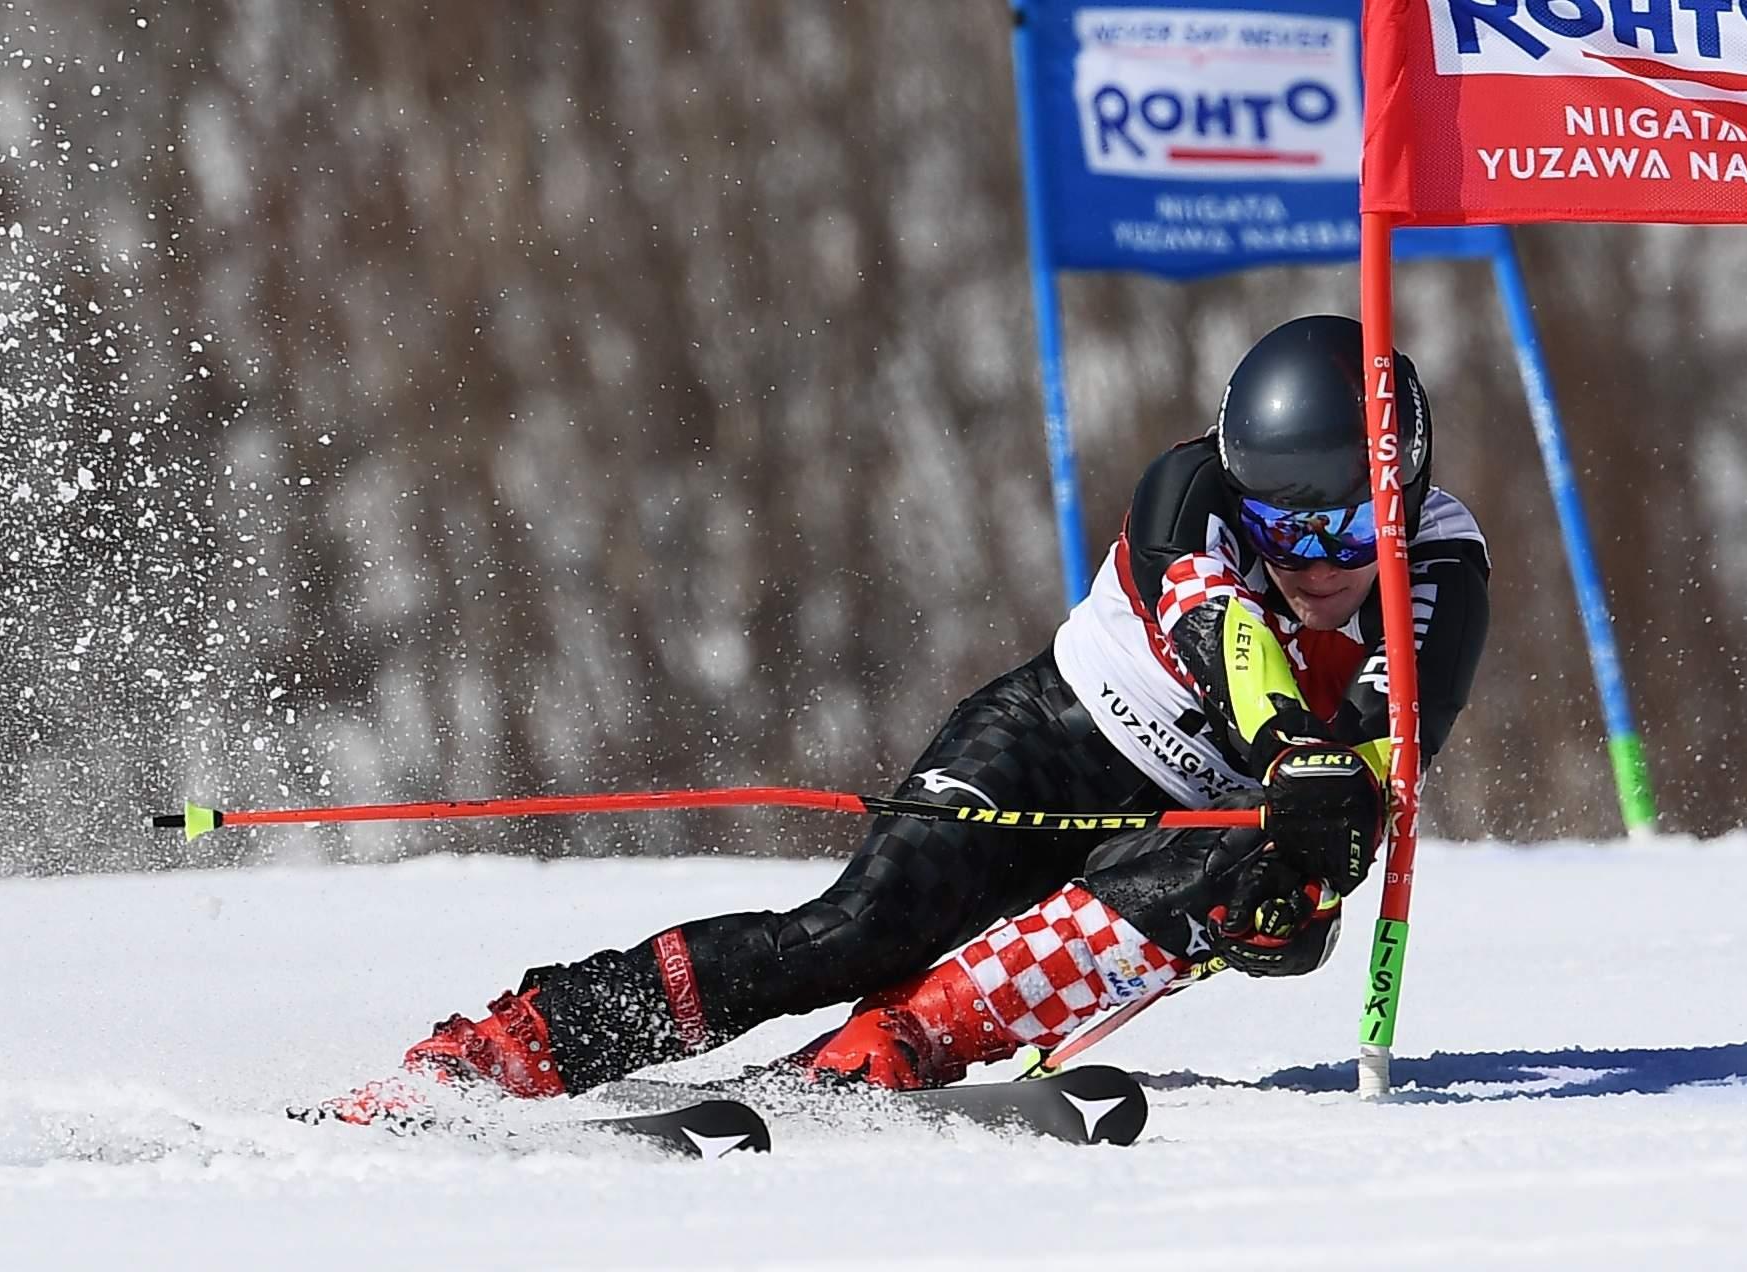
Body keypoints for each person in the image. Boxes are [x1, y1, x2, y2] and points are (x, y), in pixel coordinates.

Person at [340, 314, 1490, 1110]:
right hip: (1062, 737)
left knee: (1279, 856)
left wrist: (1311, 869)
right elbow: (1227, 639)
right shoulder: (1188, 493)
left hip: (1207, 816)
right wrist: (1297, 752)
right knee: (860, 930)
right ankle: (518, 1045)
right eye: (1284, 532)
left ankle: (881, 1055)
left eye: (1346, 533)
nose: (1317, 563)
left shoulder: (1442, 564)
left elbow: (1391, 741)